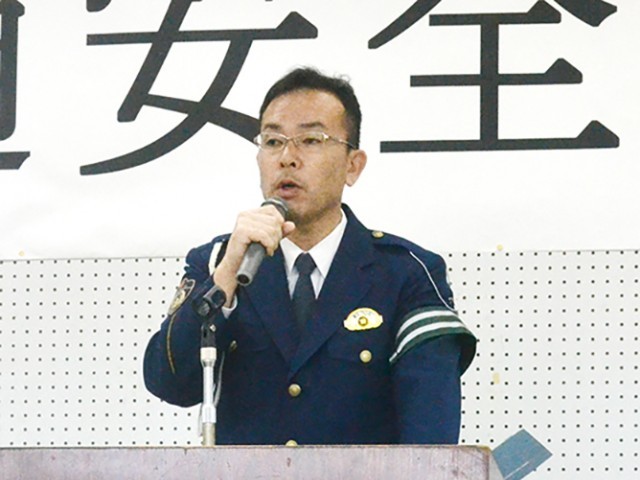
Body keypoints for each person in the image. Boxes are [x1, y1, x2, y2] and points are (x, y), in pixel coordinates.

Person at [143, 67, 476, 445]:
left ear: (353, 165)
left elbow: (431, 438)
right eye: (273, 141)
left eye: (311, 140)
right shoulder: (218, 260)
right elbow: (168, 382)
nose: (287, 157)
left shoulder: (407, 273)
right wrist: (226, 275)